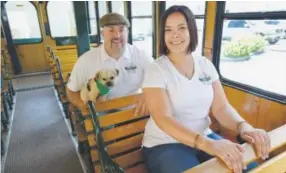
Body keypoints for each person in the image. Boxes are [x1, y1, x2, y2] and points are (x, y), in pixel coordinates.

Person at [141, 5, 270, 173]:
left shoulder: (205, 65)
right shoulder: (156, 69)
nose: (175, 35)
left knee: (249, 168)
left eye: (182, 27)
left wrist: (243, 126)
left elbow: (221, 107)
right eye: (168, 30)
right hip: (165, 143)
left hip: (205, 137)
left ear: (192, 30)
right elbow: (163, 119)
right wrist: (208, 144)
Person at [66, 13, 153, 115]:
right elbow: (72, 91)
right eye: (111, 30)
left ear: (127, 32)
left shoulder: (141, 55)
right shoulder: (86, 60)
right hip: (102, 113)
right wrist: (85, 108)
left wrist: (148, 95)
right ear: (102, 33)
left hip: (135, 109)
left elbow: (158, 80)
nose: (117, 35)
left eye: (121, 30)